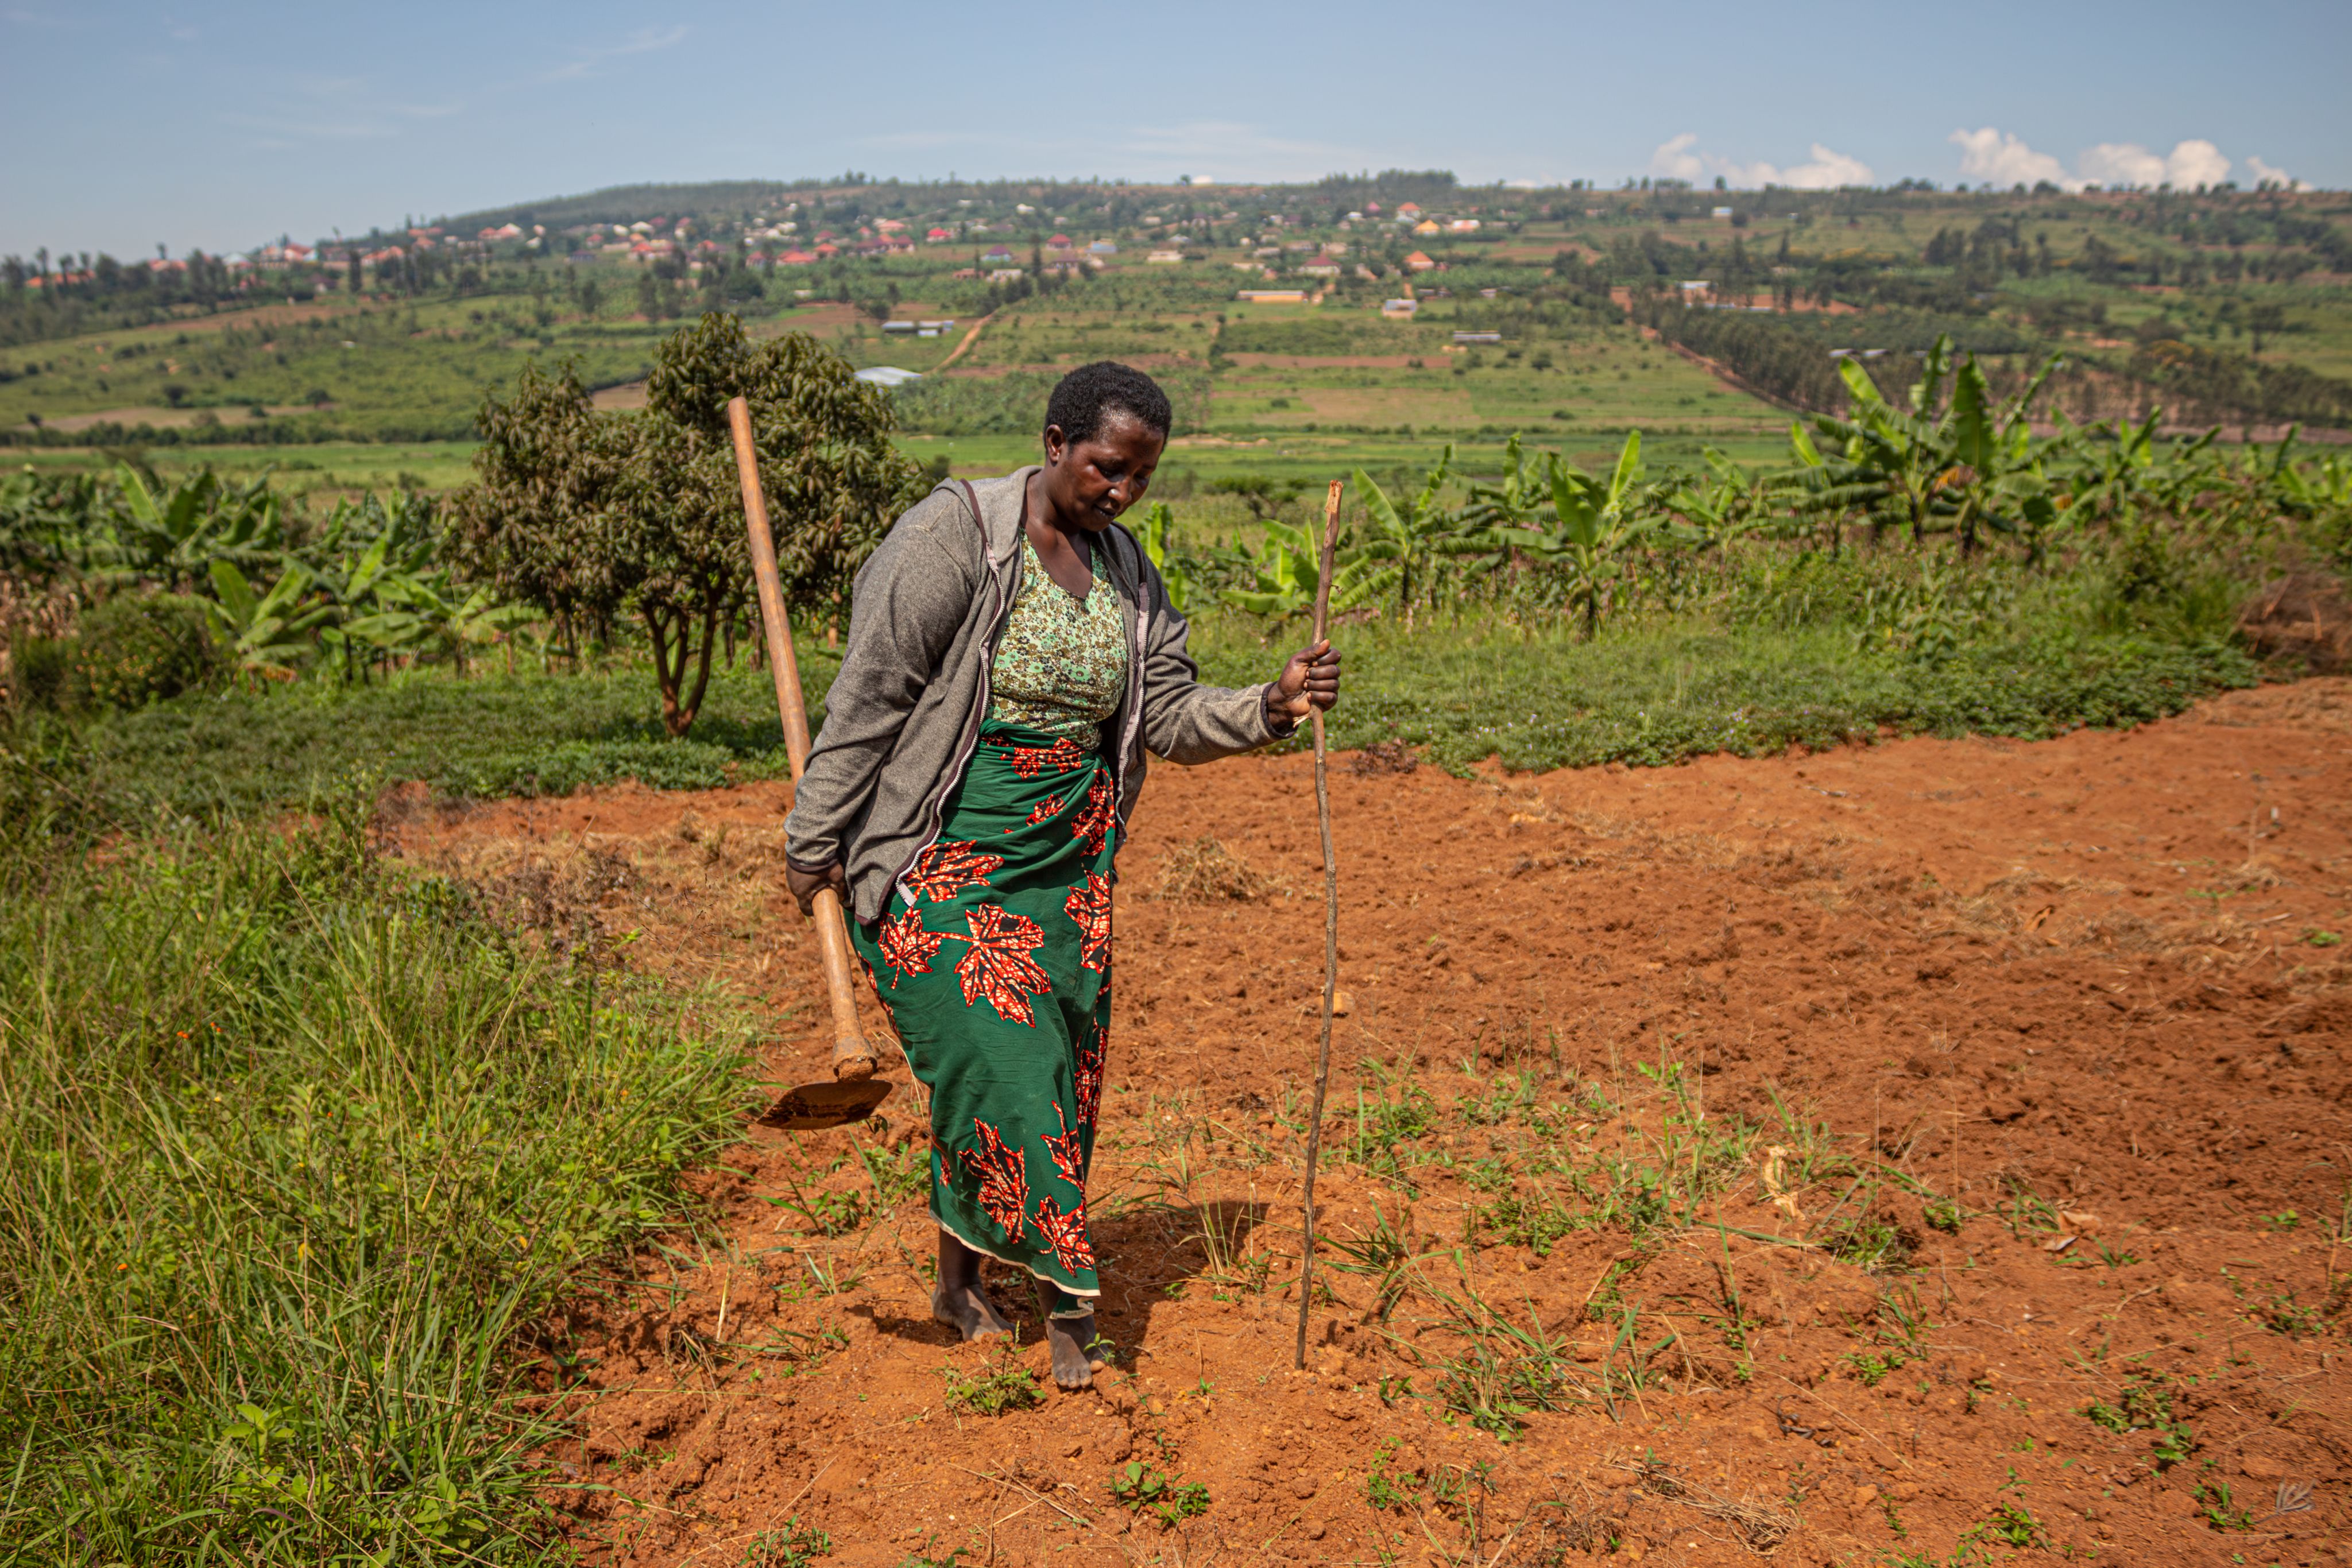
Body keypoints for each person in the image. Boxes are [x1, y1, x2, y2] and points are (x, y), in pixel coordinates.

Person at [782, 361, 1339, 1390]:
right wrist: (814, 840)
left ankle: (960, 1286)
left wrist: (1270, 702)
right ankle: (1069, 1305)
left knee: (1047, 1084)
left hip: (1067, 871)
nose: (1121, 492)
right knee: (1004, 1065)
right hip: (940, 856)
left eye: (1140, 477)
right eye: (1106, 468)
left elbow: (1166, 715)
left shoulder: (1128, 574)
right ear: (1053, 442)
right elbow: (870, 698)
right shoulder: (956, 538)